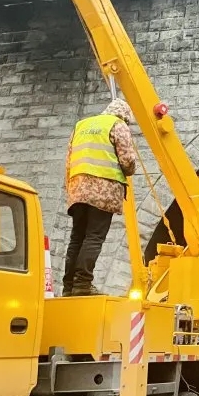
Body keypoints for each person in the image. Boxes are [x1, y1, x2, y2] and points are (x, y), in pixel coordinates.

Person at [62, 98, 137, 296]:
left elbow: (69, 162)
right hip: (103, 190)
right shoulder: (118, 125)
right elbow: (128, 161)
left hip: (77, 190)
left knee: (77, 237)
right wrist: (130, 170)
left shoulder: (81, 125)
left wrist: (69, 189)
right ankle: (83, 284)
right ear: (125, 115)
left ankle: (69, 286)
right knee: (94, 236)